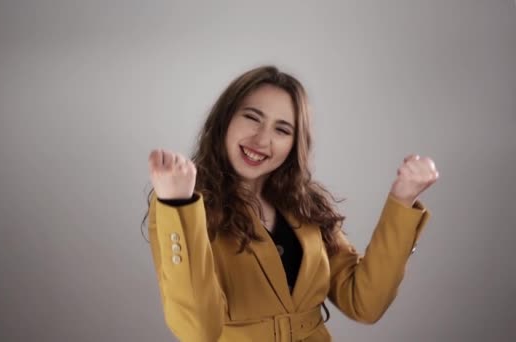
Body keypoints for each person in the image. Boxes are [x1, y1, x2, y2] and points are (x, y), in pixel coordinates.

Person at [145, 65, 439, 342]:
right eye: (252, 117)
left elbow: (364, 302)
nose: (262, 139)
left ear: (294, 143)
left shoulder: (305, 206)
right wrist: (177, 205)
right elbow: (197, 330)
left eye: (282, 130)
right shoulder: (184, 204)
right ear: (225, 120)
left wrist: (403, 198)